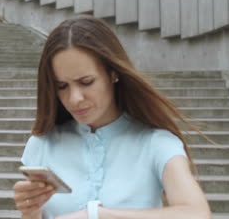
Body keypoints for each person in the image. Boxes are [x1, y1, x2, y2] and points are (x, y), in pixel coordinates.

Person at [13, 16, 211, 219]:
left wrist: (96, 215)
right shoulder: (41, 145)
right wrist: (32, 212)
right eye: (62, 86)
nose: (74, 99)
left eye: (86, 82)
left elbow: (196, 213)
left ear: (113, 74)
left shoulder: (157, 143)